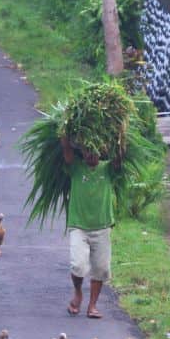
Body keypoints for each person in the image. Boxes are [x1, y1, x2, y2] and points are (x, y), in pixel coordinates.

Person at [61, 135, 120, 319]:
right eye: (87, 151)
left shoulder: (107, 169)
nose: (90, 155)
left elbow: (120, 157)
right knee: (77, 266)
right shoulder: (76, 168)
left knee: (101, 269)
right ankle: (78, 292)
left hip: (102, 227)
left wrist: (121, 134)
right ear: (82, 153)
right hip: (79, 226)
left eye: (94, 151)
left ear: (101, 152)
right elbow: (67, 151)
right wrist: (65, 135)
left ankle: (92, 306)